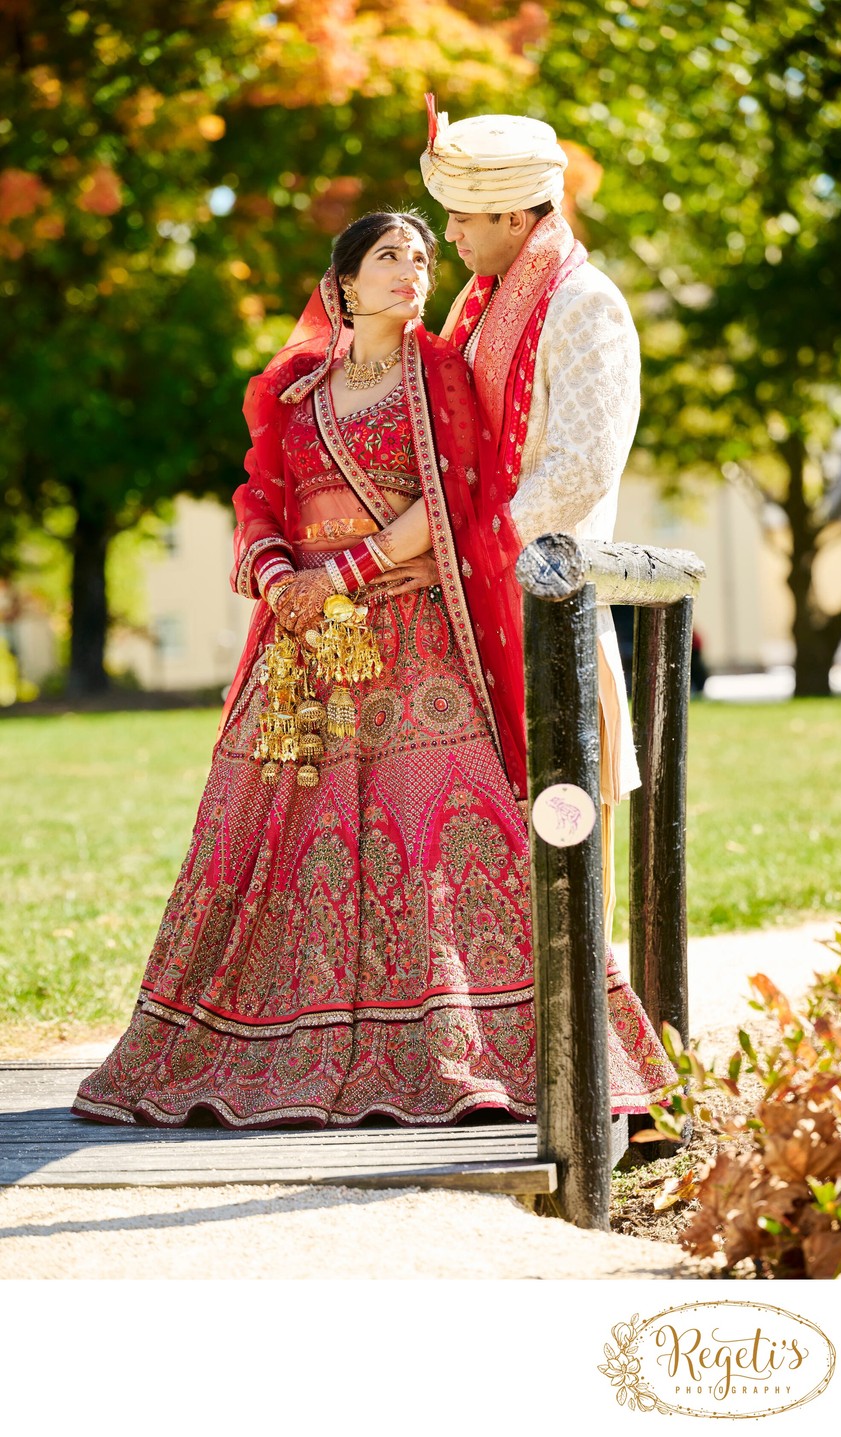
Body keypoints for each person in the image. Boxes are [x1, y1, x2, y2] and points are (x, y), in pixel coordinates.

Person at [72, 208, 674, 1130]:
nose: (412, 270)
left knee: (443, 835)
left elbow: (458, 498)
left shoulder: (441, 377)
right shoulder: (289, 389)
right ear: (344, 282)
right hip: (302, 656)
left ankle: (477, 1052)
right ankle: (251, 1042)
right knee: (267, 841)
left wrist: (342, 574)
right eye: (389, 256)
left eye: (424, 257)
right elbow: (256, 501)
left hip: (414, 647)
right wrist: (280, 579)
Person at [420, 101, 642, 944]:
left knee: (565, 822)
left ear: (517, 216)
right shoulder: (475, 307)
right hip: (472, 597)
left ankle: (583, 1048)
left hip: (546, 603)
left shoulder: (584, 304)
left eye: (463, 217)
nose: (448, 235)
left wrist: (474, 545)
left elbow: (582, 466)